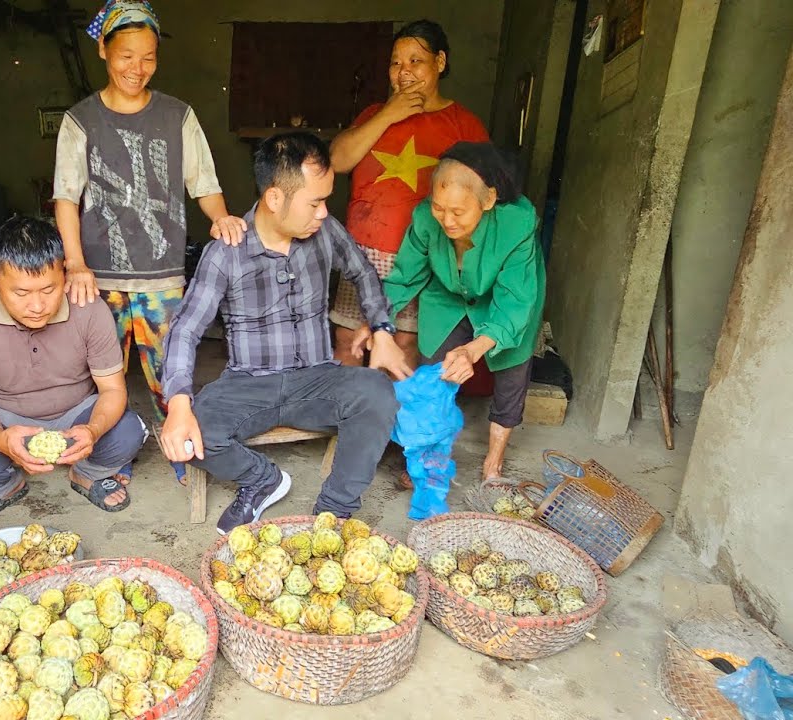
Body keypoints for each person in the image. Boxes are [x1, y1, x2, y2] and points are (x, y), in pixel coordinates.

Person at [159, 132, 409, 534]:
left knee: (377, 393)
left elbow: (362, 272)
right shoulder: (227, 249)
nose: (324, 212)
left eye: (326, 200)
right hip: (248, 385)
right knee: (189, 436)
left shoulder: (325, 232)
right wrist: (179, 403)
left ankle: (332, 515)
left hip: (317, 379)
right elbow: (185, 330)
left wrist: (381, 328)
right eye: (315, 202)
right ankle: (261, 480)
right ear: (275, 198)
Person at [53, 0, 246, 484]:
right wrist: (75, 264)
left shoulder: (177, 116)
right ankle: (102, 458)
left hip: (162, 277)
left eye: (148, 58)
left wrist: (221, 218)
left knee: (172, 376)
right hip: (98, 279)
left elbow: (204, 182)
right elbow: (65, 198)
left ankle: (183, 453)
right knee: (100, 377)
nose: (137, 69)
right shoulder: (81, 120)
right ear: (103, 50)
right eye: (125, 56)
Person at [0, 216, 147, 523]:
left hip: (77, 412)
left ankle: (88, 473)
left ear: (64, 272)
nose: (37, 306)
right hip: (5, 417)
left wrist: (92, 430)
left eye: (49, 290)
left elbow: (113, 390)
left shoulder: (90, 309)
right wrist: (0, 439)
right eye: (21, 293)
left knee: (129, 431)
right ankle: (3, 488)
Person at [328, 19, 489, 368]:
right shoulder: (374, 114)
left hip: (423, 255)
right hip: (362, 251)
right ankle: (352, 418)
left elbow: (484, 197)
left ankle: (393, 421)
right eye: (396, 62)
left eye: (416, 60)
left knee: (404, 343)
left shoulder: (464, 124)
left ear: (440, 63)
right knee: (348, 340)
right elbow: (337, 160)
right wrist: (389, 114)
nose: (404, 71)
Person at [383, 142, 545, 481]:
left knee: (511, 375)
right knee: (433, 373)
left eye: (458, 211)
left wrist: (473, 350)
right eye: (439, 208)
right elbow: (403, 277)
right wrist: (376, 323)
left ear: (488, 200)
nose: (447, 220)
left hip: (506, 303)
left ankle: (493, 464)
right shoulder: (427, 219)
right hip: (448, 296)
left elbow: (514, 302)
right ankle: (430, 456)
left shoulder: (517, 225)